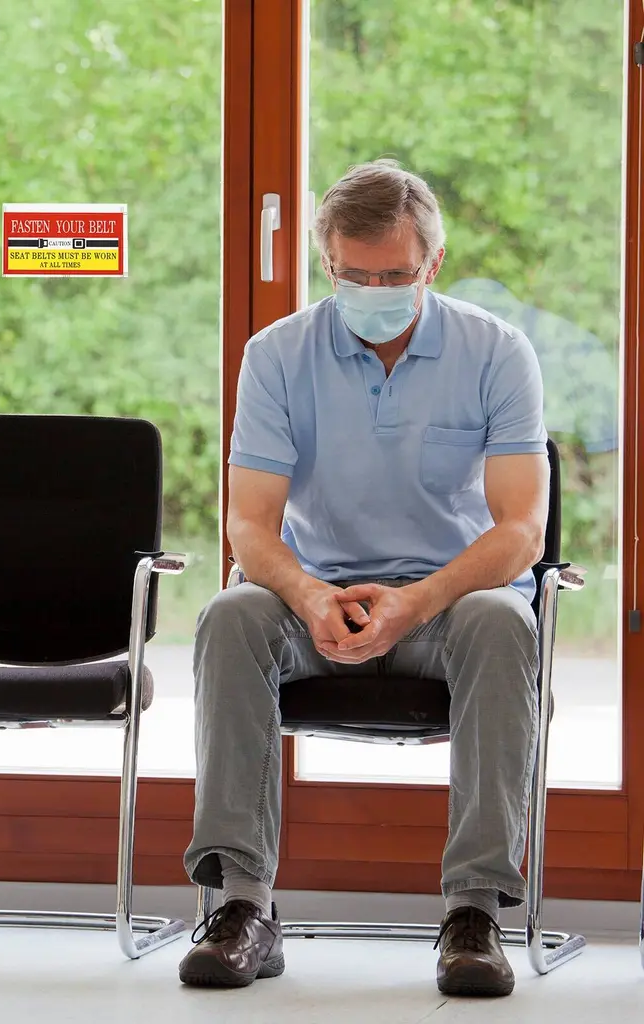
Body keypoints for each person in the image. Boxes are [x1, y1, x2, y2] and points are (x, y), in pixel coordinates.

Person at [178, 160, 548, 998]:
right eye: (355, 275)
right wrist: (310, 595)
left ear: (434, 263)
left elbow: (522, 530)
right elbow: (249, 524)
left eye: (395, 275)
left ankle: (474, 913)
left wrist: (416, 601)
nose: (374, 291)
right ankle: (243, 906)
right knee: (231, 615)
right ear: (327, 264)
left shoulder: (497, 353)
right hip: (318, 601)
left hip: (447, 605)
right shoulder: (277, 355)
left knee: (504, 619)